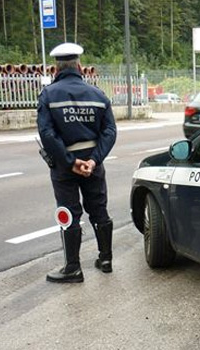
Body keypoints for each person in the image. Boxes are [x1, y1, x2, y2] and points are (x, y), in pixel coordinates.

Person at [37, 43, 117, 283]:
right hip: (93, 165)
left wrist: (70, 162)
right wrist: (93, 161)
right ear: (79, 66)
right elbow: (110, 131)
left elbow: (47, 133)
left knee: (69, 213)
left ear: (55, 68)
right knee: (98, 208)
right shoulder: (98, 95)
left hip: (64, 167)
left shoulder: (49, 95)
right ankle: (106, 260)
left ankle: (72, 268)